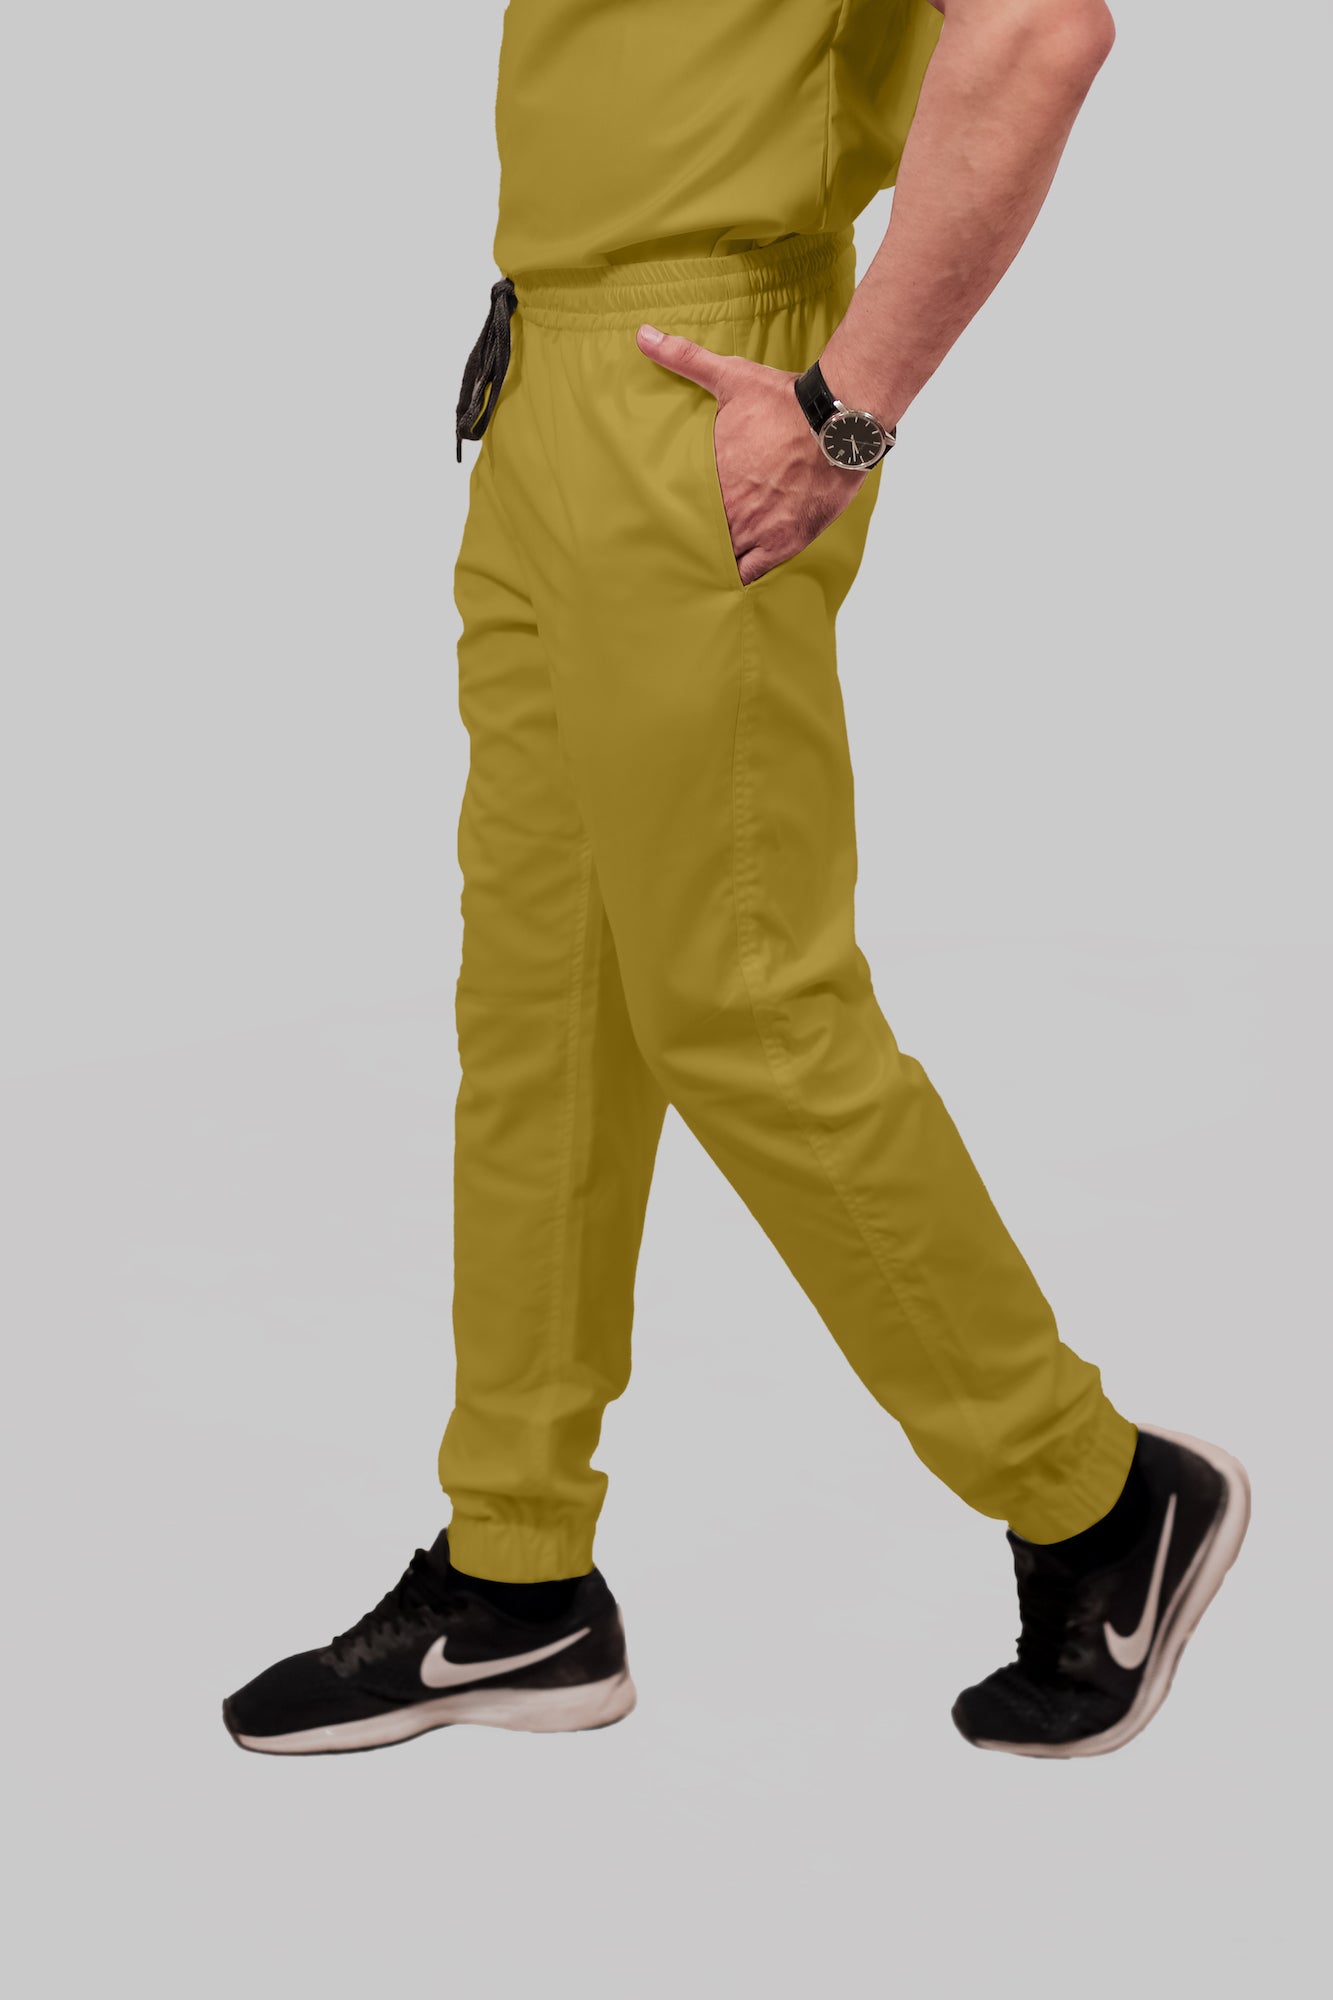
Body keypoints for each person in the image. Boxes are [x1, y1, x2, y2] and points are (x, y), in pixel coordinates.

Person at [223, 0, 1249, 1761]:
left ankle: (1091, 1489)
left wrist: (843, 414)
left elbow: (1035, 31)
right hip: (538, 368)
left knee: (742, 1001)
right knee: (542, 1015)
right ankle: (516, 1573)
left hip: (702, 390)